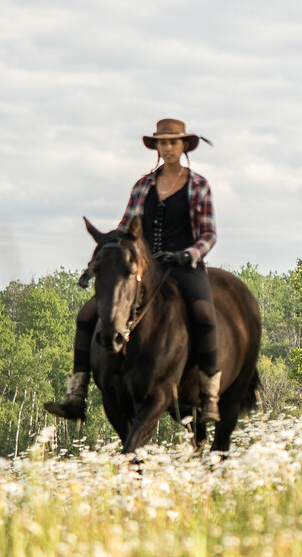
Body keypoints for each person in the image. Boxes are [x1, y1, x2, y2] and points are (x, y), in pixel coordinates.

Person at [44, 118, 222, 424]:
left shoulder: (198, 185)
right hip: (143, 268)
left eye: (173, 142)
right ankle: (76, 395)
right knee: (87, 315)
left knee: (205, 315)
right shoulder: (142, 185)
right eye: (162, 143)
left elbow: (208, 234)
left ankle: (210, 398)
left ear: (183, 146)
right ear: (156, 147)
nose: (167, 148)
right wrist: (100, 259)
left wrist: (189, 254)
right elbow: (126, 230)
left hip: (185, 266)